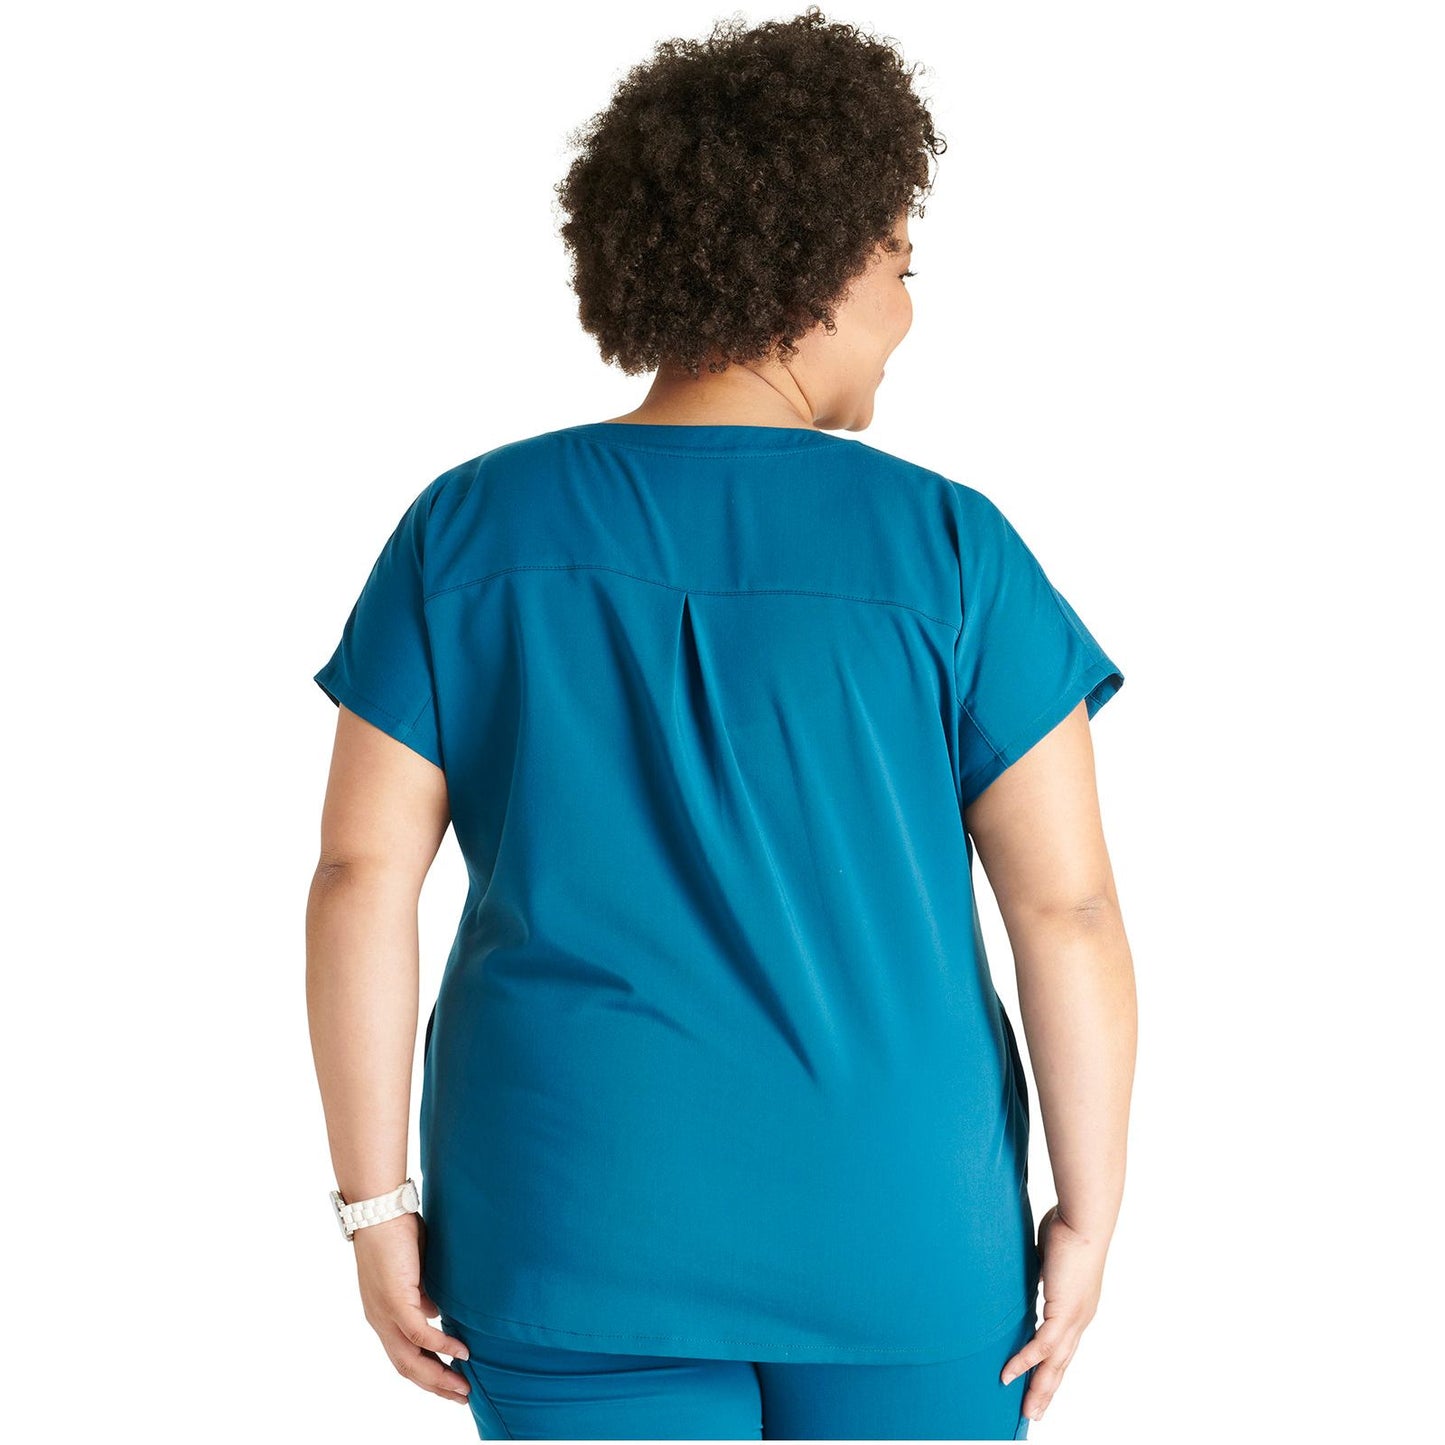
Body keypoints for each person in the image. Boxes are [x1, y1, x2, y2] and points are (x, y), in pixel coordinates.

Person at [306, 8, 1137, 1440]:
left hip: (568, 1216)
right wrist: (1088, 1208)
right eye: (899, 266)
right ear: (817, 272)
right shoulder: (952, 549)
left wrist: (375, 1208)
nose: (908, 311)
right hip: (903, 1229)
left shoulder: (469, 527)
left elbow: (359, 876)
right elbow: (1064, 909)